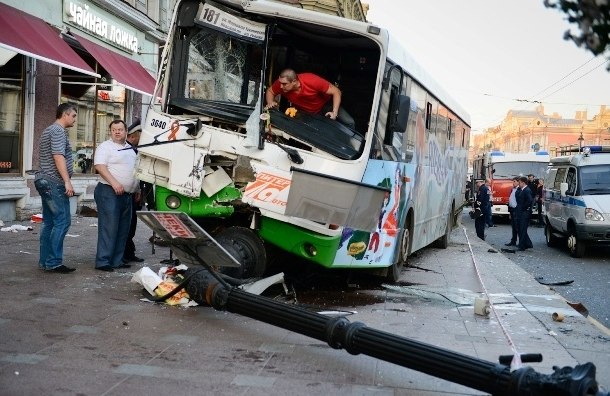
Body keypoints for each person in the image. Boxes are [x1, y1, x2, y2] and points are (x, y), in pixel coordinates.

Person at [34, 103, 78, 273]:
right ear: (65, 114)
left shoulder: (48, 130)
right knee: (62, 221)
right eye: (73, 116)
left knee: (49, 222)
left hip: (44, 180)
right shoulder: (58, 131)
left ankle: (45, 261)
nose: (74, 120)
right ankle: (53, 262)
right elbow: (58, 156)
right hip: (54, 182)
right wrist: (67, 181)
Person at [94, 120, 140, 272]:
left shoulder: (129, 148)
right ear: (110, 132)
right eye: (114, 130)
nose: (117, 132)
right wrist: (114, 183)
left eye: (120, 129)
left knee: (123, 229)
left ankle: (116, 260)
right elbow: (100, 166)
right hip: (109, 191)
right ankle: (103, 261)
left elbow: (135, 170)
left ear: (126, 131)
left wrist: (137, 188)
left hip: (127, 194)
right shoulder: (105, 147)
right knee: (109, 227)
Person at [265, 68, 355, 129]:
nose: (280, 86)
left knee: (349, 122)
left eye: (284, 84)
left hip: (325, 106)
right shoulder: (281, 83)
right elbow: (270, 91)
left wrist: (334, 112)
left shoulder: (311, 80)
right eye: (280, 83)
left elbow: (336, 91)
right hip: (306, 113)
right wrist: (270, 102)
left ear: (294, 82)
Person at [122, 119, 145, 264]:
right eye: (140, 135)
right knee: (128, 225)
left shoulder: (134, 149)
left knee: (132, 224)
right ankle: (125, 253)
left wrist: (138, 189)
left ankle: (129, 252)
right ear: (133, 136)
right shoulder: (128, 150)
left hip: (133, 191)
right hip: (127, 193)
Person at [516, 176, 534, 251]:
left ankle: (522, 245)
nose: (518, 184)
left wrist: (523, 207)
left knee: (522, 229)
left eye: (519, 183)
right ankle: (527, 243)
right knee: (520, 229)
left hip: (524, 213)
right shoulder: (522, 190)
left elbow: (530, 201)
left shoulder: (527, 190)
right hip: (521, 212)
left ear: (523, 183)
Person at [505, 177, 520, 247]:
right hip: (512, 210)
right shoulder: (512, 189)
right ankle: (513, 241)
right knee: (513, 227)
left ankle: (521, 242)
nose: (513, 183)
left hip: (516, 210)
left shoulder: (519, 190)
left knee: (518, 227)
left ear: (518, 182)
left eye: (514, 181)